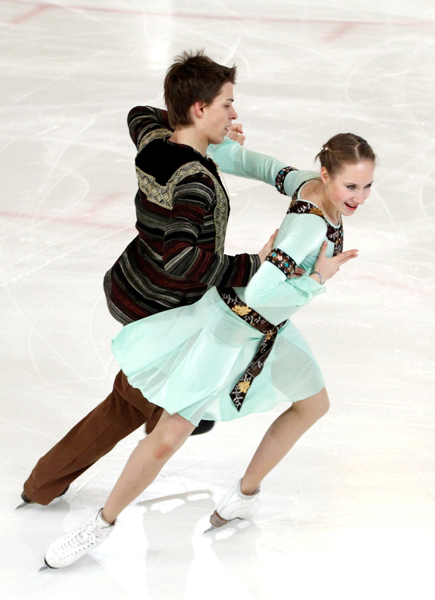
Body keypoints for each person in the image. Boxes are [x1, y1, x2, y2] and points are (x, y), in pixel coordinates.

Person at [41, 131, 376, 569]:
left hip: (267, 329)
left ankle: (243, 496)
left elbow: (263, 167)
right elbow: (262, 290)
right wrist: (317, 280)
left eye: (368, 186)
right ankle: (100, 525)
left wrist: (221, 150)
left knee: (313, 403)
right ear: (328, 174)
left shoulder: (308, 182)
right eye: (351, 186)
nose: (359, 197)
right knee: (167, 438)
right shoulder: (310, 224)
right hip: (230, 328)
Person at [19, 50, 303, 508]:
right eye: (226, 105)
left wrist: (211, 134)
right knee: (130, 401)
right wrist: (253, 264)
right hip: (161, 308)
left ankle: (172, 409)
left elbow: (139, 114)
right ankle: (48, 481)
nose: (234, 114)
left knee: (149, 396)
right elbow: (181, 261)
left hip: (133, 285)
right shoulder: (195, 183)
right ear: (199, 108)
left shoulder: (154, 141)